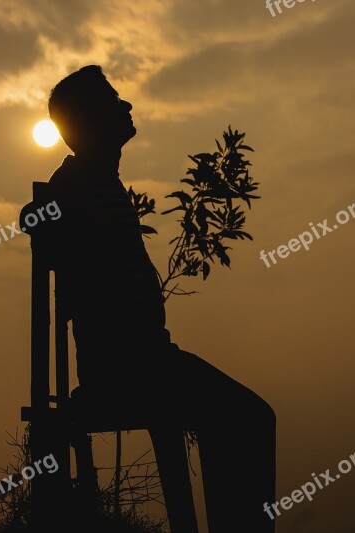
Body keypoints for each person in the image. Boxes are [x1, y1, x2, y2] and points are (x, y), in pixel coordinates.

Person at [32, 65, 275, 533]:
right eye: (112, 101)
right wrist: (46, 216)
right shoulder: (80, 180)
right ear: (89, 120)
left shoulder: (98, 180)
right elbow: (39, 213)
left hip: (148, 362)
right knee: (249, 418)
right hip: (129, 370)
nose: (125, 106)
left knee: (244, 418)